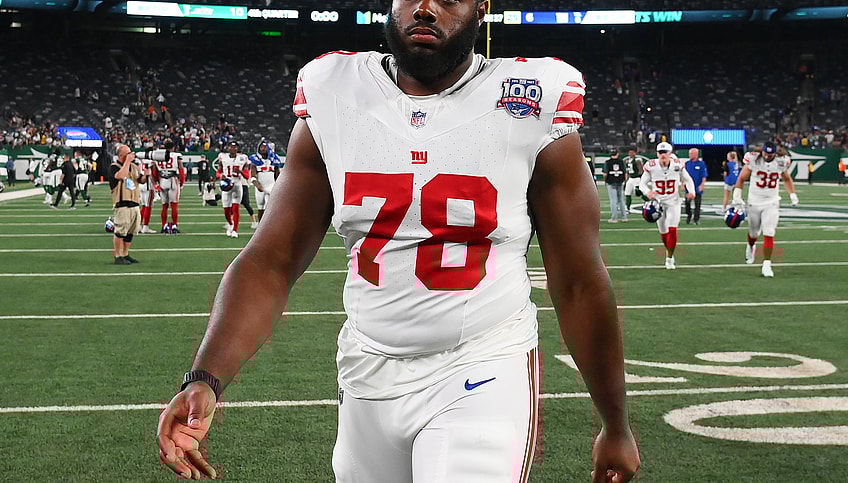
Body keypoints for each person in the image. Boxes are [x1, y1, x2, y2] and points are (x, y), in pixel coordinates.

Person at [156, 1, 639, 482]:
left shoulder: (532, 99)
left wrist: (615, 423)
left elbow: (579, 280)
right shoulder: (334, 92)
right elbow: (270, 259)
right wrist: (206, 377)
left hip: (483, 363)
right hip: (367, 367)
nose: (425, 8)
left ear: (482, 8)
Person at [732, 141, 798, 278]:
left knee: (769, 232)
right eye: (765, 154)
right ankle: (750, 246)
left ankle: (767, 264)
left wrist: (792, 194)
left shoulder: (781, 162)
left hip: (772, 202)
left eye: (770, 154)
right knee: (754, 233)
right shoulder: (754, 159)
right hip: (754, 201)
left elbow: (786, 179)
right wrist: (737, 197)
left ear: (775, 153)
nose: (767, 156)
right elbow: (741, 178)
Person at [640, 142, 696, 269]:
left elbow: (688, 179)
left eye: (665, 152)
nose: (663, 155)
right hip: (658, 203)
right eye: (660, 152)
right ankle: (669, 251)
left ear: (670, 153)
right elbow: (642, 184)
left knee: (672, 229)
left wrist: (691, 191)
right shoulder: (651, 166)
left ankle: (669, 258)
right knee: (664, 233)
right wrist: (648, 191)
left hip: (674, 202)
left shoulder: (677, 165)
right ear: (657, 153)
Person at [109, 144, 148, 264]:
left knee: (131, 231)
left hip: (134, 202)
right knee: (121, 231)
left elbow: (140, 180)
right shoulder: (114, 167)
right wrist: (127, 162)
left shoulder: (134, 167)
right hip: (122, 203)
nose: (131, 155)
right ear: (121, 155)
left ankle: (125, 253)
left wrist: (146, 174)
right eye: (128, 153)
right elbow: (121, 176)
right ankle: (117, 255)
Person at [215, 140, 249, 238]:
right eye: (231, 146)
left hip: (237, 184)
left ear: (237, 148)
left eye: (234, 147)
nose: (232, 148)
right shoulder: (223, 157)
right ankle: (230, 224)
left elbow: (247, 176)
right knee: (226, 210)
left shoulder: (243, 158)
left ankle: (235, 230)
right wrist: (221, 175)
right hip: (226, 184)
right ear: (228, 148)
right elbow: (218, 172)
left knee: (236, 208)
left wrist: (240, 171)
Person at [151, 139, 184, 234]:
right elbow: (181, 170)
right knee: (174, 205)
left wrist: (156, 183)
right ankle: (174, 225)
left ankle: (163, 225)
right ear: (173, 148)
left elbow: (154, 171)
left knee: (164, 205)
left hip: (162, 180)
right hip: (172, 180)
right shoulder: (176, 155)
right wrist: (181, 182)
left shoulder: (158, 156)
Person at [248, 139, 283, 223]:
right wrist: (258, 186)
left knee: (269, 208)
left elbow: (278, 175)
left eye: (265, 147)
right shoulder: (255, 160)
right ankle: (260, 226)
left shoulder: (274, 159)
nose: (262, 149)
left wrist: (279, 186)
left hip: (271, 186)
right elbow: (252, 177)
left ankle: (270, 225)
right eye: (261, 147)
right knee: (260, 208)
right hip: (260, 187)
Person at [683, 147, 707, 225]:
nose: (690, 155)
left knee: (697, 204)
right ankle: (689, 215)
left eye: (691, 153)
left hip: (697, 186)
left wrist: (702, 184)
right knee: (687, 204)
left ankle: (696, 219)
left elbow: (704, 175)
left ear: (696, 154)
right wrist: (683, 183)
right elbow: (683, 175)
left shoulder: (701, 164)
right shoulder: (687, 164)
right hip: (688, 188)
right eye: (689, 153)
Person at [603, 149, 628, 222]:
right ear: (617, 153)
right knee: (621, 199)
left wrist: (605, 181)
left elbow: (605, 174)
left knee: (613, 200)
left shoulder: (607, 162)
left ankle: (614, 218)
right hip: (620, 181)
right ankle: (624, 217)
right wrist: (625, 181)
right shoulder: (621, 162)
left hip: (611, 182)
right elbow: (625, 173)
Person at [622, 146, 646, 212]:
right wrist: (626, 181)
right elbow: (627, 172)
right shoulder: (628, 160)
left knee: (639, 193)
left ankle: (648, 201)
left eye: (632, 152)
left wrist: (641, 179)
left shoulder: (637, 160)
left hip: (637, 179)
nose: (630, 154)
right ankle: (627, 208)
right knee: (627, 193)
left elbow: (641, 169)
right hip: (630, 179)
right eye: (629, 152)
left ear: (635, 153)